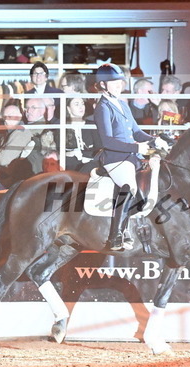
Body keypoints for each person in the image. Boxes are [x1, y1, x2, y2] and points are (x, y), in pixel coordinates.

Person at [93, 63, 167, 251]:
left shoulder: (123, 105)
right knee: (129, 186)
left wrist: (154, 140)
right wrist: (137, 146)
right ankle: (116, 235)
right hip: (114, 158)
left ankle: (126, 227)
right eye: (114, 83)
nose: (119, 85)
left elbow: (136, 132)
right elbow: (108, 141)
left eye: (120, 82)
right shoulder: (102, 107)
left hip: (131, 156)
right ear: (103, 85)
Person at [59, 97, 100, 172]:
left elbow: (99, 149)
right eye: (76, 104)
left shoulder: (92, 126)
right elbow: (59, 152)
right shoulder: (62, 128)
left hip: (90, 165)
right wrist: (72, 153)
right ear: (68, 109)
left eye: (82, 104)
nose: (81, 107)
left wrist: (82, 155)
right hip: (70, 166)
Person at [0, 103, 34, 169]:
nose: (6, 120)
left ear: (19, 116)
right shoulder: (12, 131)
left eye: (10, 116)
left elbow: (3, 160)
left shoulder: (20, 134)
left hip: (10, 172)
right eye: (4, 117)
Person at [24, 97, 56, 173]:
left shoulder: (40, 129)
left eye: (33, 108)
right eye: (27, 107)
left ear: (42, 111)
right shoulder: (28, 126)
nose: (28, 111)